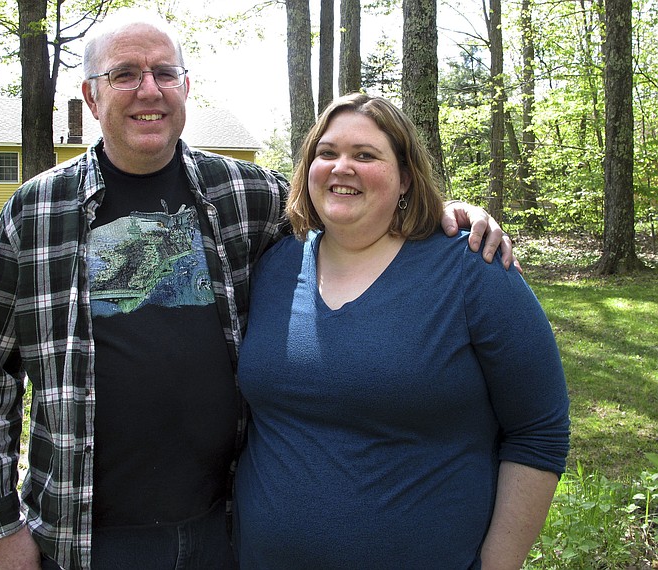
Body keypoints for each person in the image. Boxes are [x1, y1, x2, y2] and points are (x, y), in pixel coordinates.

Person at [0, 10, 516, 570]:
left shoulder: (244, 193)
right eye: (125, 74)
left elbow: (343, 204)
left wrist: (434, 211)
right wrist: (3, 532)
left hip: (225, 528)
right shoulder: (34, 214)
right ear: (91, 95)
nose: (148, 90)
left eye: (164, 73)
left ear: (185, 87)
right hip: (89, 537)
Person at [233, 93, 570, 570]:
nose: (341, 167)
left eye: (365, 155)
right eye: (326, 153)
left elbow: (539, 431)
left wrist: (499, 564)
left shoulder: (472, 268)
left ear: (406, 177)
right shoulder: (274, 265)